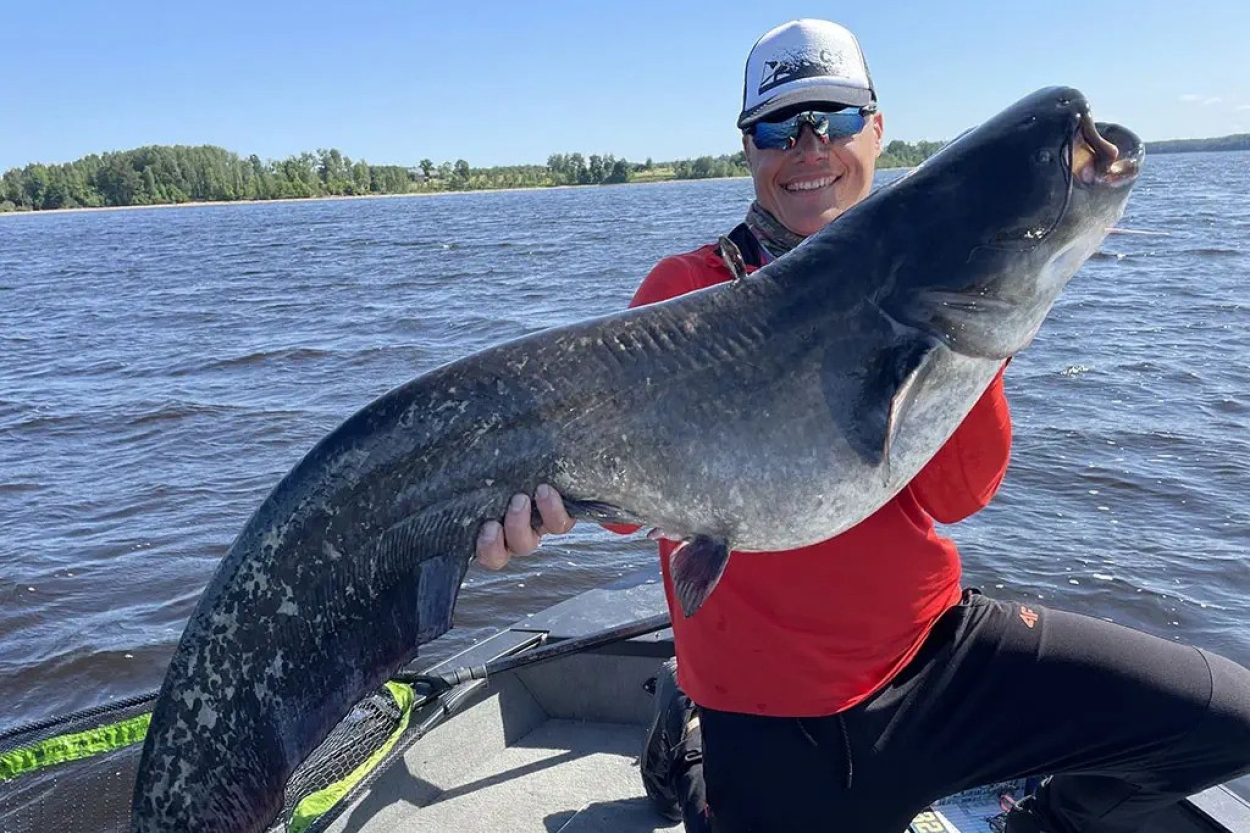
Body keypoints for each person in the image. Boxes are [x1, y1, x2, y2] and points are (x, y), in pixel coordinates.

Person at [475, 18, 1250, 833]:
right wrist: (550, 508)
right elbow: (635, 498)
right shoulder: (688, 290)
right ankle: (692, 750)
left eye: (836, 120)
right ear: (748, 148)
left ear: (877, 132)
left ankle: (1040, 822)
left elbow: (960, 494)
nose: (810, 147)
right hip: (770, 706)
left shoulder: (937, 262)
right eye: (780, 126)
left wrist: (957, 330)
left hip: (936, 656)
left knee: (1225, 720)